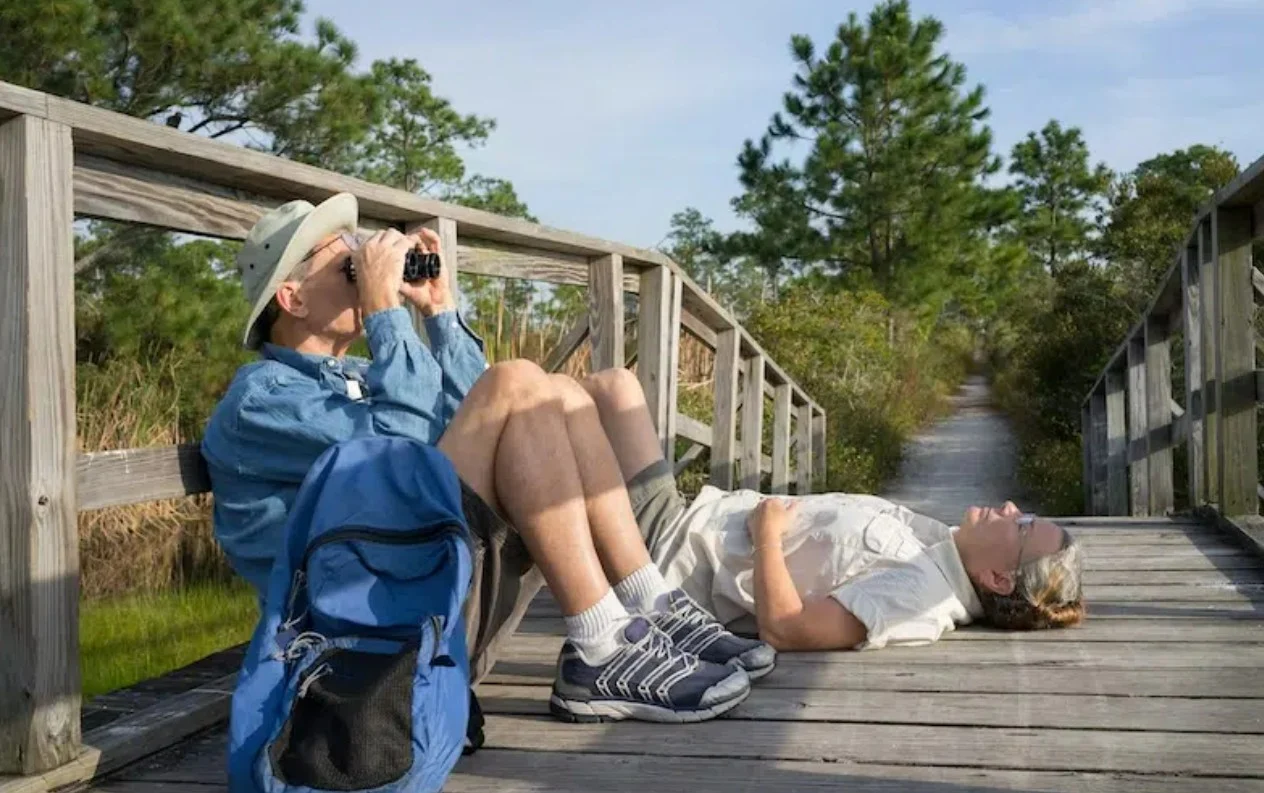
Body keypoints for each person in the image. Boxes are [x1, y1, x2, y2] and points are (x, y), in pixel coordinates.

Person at [201, 193, 774, 726]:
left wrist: (440, 312)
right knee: (516, 379)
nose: (362, 264)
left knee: (560, 392)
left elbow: (478, 415)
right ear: (293, 298)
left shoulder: (359, 376)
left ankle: (647, 601)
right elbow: (403, 449)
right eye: (344, 261)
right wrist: (383, 311)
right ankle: (600, 646)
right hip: (367, 644)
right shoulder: (263, 399)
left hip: (425, 595)